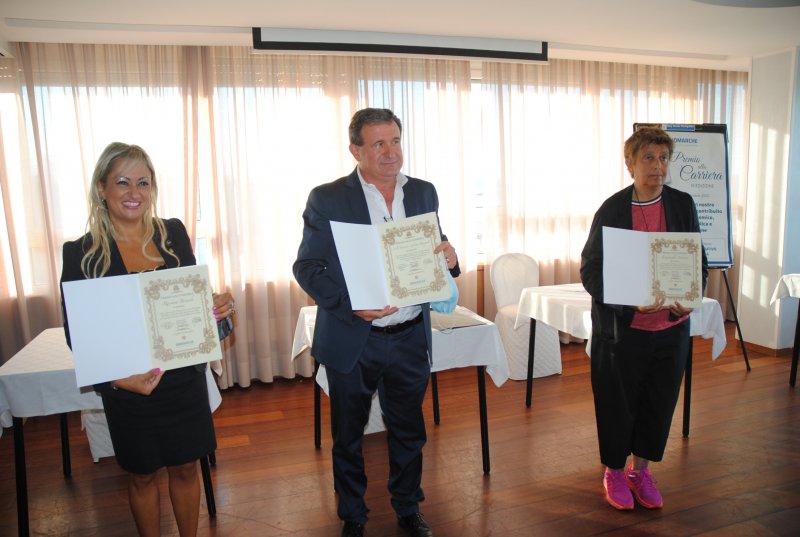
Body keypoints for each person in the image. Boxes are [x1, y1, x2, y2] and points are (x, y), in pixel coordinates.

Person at [293, 108, 459, 537]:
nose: (391, 152)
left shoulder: (423, 192)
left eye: (396, 141)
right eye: (379, 144)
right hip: (355, 337)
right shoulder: (328, 198)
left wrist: (450, 258)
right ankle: (353, 515)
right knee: (348, 436)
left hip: (409, 336)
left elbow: (434, 248)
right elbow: (307, 267)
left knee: (409, 431)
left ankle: (408, 506)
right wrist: (350, 305)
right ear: (356, 150)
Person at [60, 142, 235, 537]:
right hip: (128, 386)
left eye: (143, 182)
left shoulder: (172, 234)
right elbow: (78, 333)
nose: (134, 192)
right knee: (141, 476)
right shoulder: (80, 253)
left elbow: (191, 306)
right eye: (122, 182)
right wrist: (118, 381)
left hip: (182, 379)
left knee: (187, 467)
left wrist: (214, 308)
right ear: (102, 187)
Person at [580, 126, 708, 511]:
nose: (658, 166)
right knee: (618, 405)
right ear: (630, 163)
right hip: (624, 332)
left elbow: (697, 262)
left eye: (664, 158)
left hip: (671, 329)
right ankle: (614, 471)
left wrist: (691, 296)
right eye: (649, 158)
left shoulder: (683, 204)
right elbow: (591, 271)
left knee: (659, 402)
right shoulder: (612, 209)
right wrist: (629, 303)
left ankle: (642, 471)